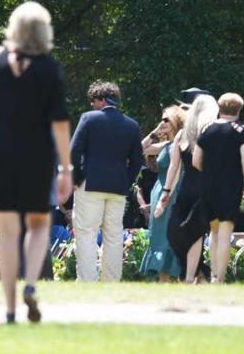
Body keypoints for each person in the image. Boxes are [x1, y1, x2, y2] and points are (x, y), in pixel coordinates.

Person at [0, 1, 72, 324]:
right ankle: (30, 284)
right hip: (37, 157)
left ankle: (11, 311)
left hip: (0, 157)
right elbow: (60, 122)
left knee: (7, 234)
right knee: (39, 226)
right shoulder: (49, 68)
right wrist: (66, 167)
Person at [69, 81, 144, 282]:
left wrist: (76, 179)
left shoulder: (88, 119)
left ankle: (88, 282)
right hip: (118, 188)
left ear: (101, 99)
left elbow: (73, 151)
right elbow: (137, 160)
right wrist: (125, 182)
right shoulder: (131, 125)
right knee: (113, 236)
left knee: (86, 234)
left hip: (90, 185)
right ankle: (111, 282)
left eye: (94, 101)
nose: (92, 105)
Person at [156, 94, 218, 283]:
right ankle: (195, 273)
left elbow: (175, 166)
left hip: (188, 189)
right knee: (186, 234)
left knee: (188, 234)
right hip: (200, 188)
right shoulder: (205, 133)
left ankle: (190, 276)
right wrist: (165, 193)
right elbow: (174, 166)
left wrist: (166, 192)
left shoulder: (185, 134)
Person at [193, 93, 244, 283]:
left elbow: (196, 160)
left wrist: (209, 173)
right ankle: (220, 278)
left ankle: (213, 274)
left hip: (207, 186)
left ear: (220, 108)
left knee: (214, 232)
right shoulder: (242, 130)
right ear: (239, 109)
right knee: (226, 233)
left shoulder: (207, 129)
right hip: (230, 186)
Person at [139, 106, 186, 282]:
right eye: (162, 119)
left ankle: (182, 277)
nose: (163, 122)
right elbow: (140, 149)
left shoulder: (183, 143)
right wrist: (155, 131)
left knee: (173, 236)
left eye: (166, 119)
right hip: (158, 192)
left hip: (175, 192)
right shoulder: (165, 145)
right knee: (158, 236)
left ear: (176, 121)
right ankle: (163, 280)